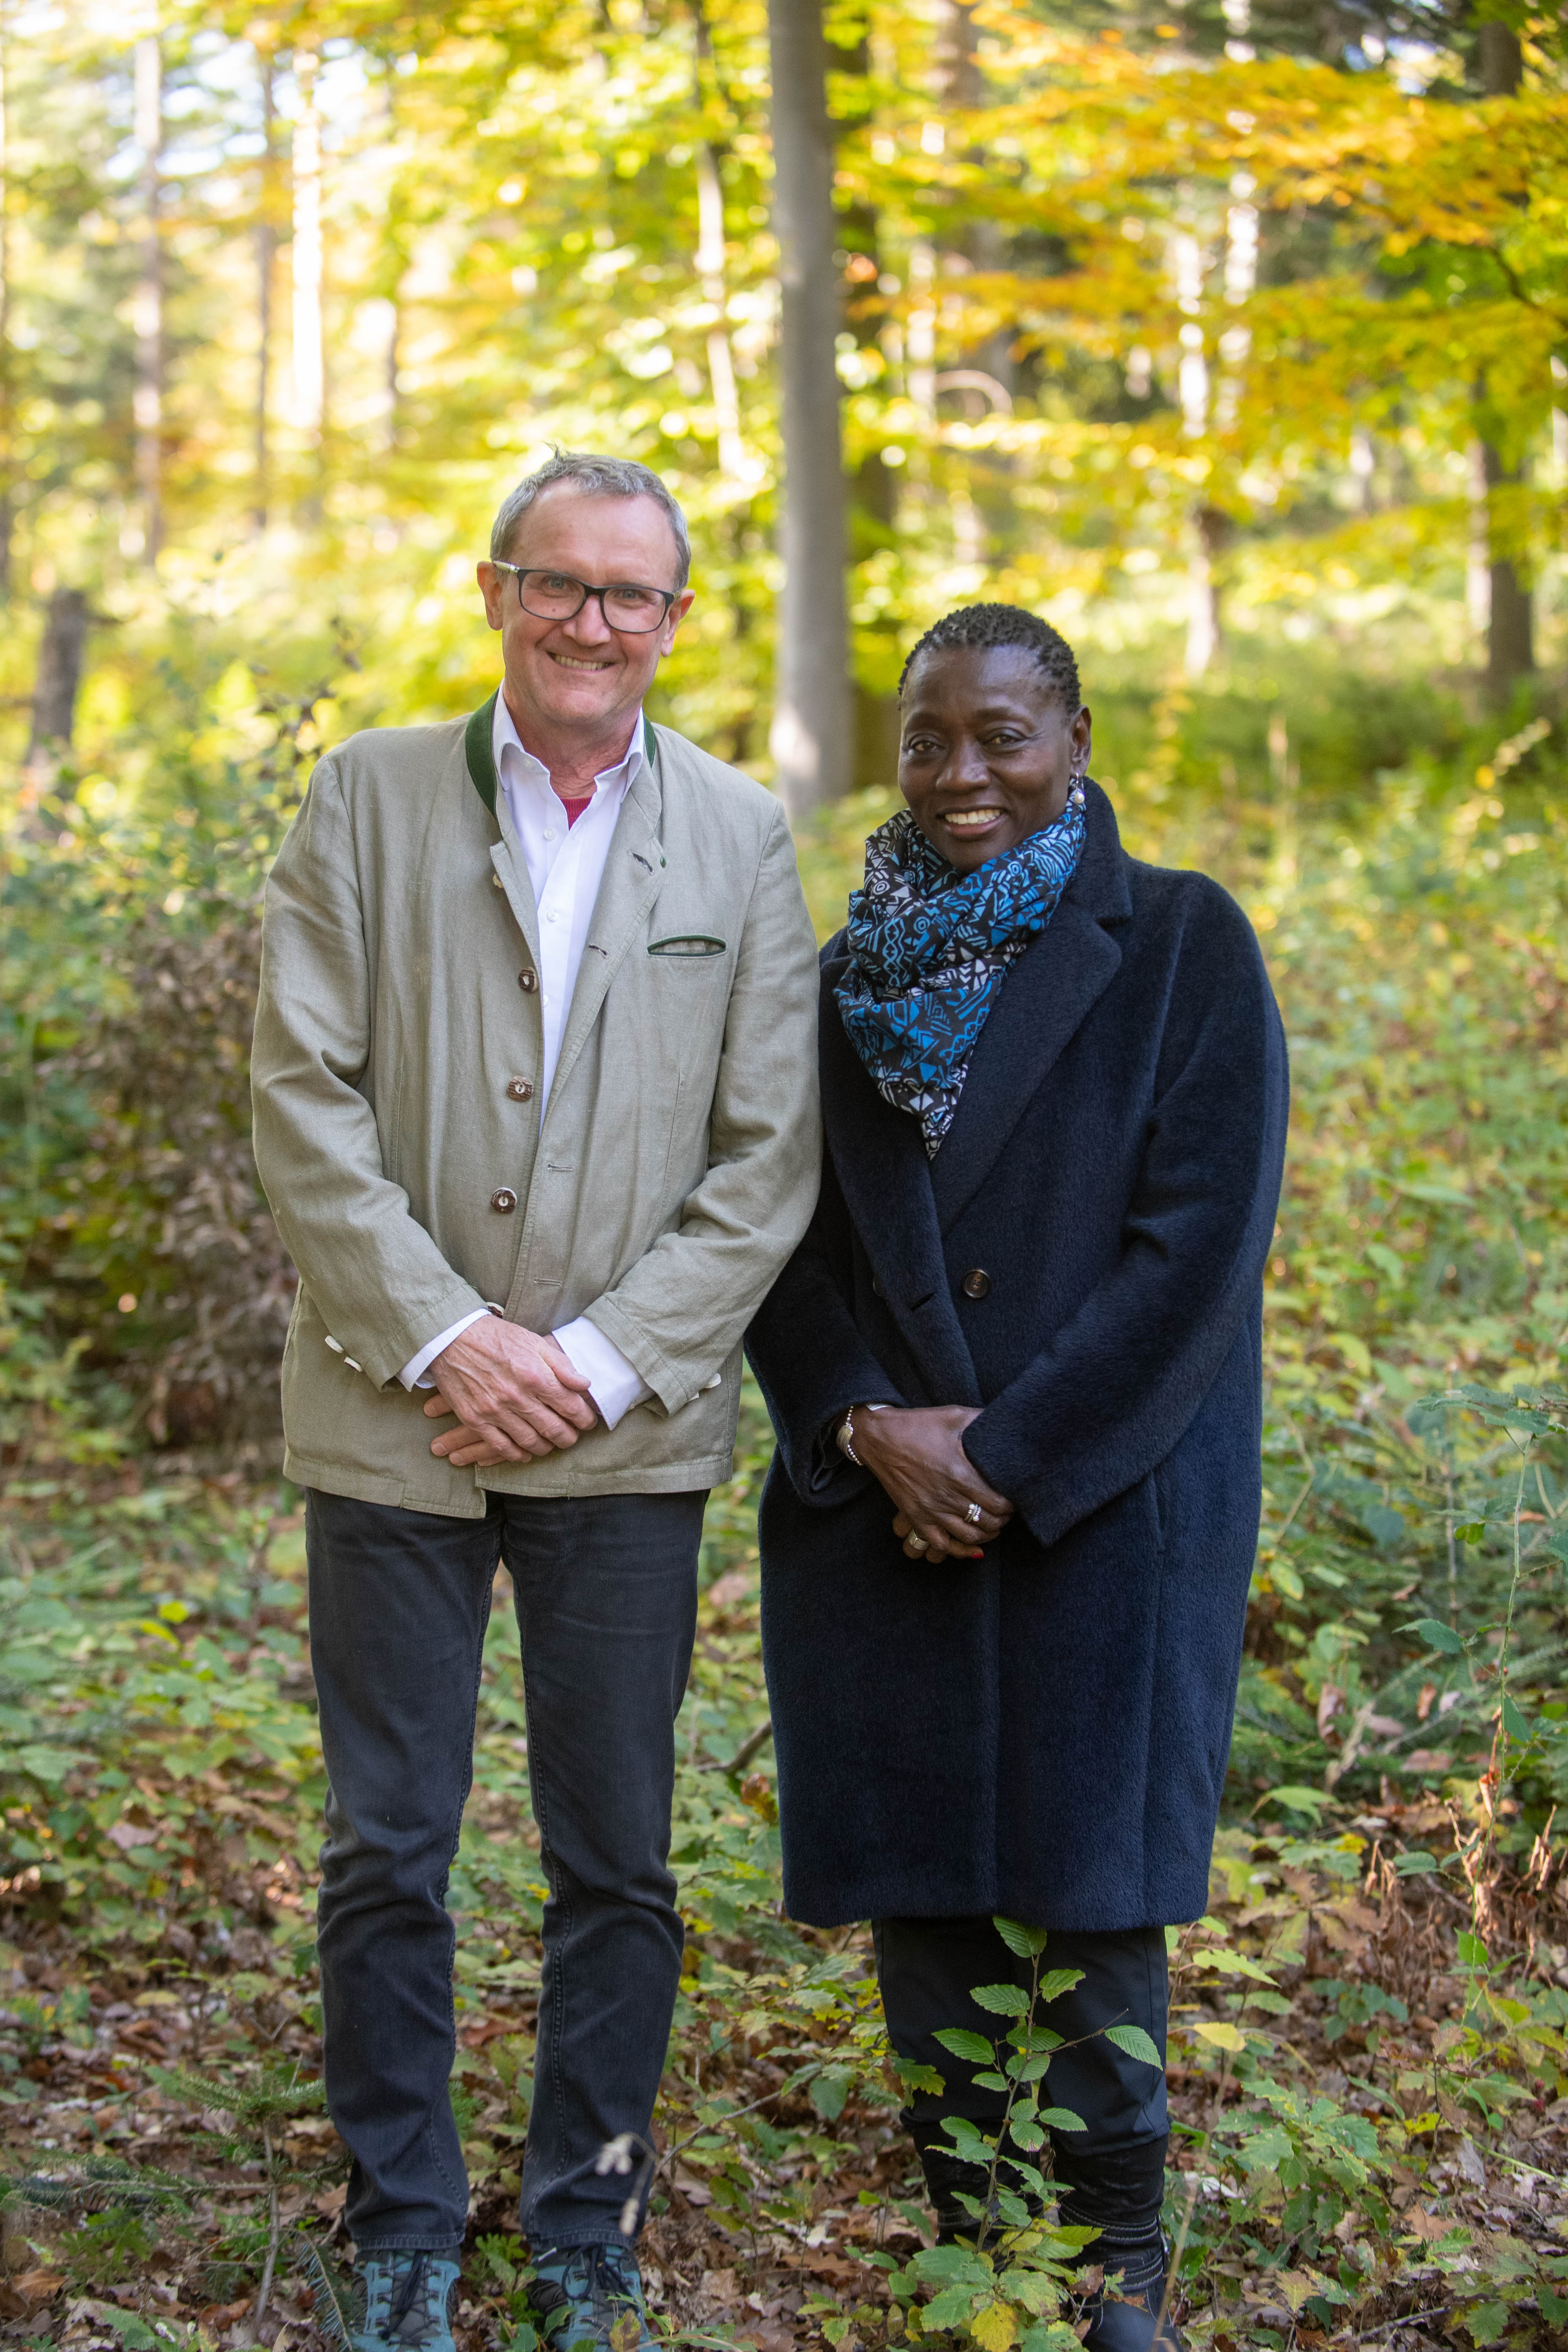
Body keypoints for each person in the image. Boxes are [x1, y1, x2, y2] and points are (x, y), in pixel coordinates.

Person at [250, 451, 821, 2352]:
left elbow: (766, 1160)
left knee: (618, 1852)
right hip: (388, 1408)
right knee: (385, 1841)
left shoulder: (740, 836)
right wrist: (443, 1336)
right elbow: (302, 1098)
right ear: (495, 591)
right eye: (559, 586)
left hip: (622, 1432)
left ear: (674, 619)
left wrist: (578, 1362)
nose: (594, 623)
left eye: (631, 596)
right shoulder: (365, 795)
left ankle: (585, 2213)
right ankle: (401, 2210)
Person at [746, 604, 1288, 2352]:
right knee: (925, 1883)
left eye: (1001, 736)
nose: (962, 773)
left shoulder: (1185, 943)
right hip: (879, 1506)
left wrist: (1002, 1451)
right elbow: (776, 1241)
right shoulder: (837, 983)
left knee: (1092, 1883)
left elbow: (1197, 1248)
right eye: (928, 739)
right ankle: (970, 2252)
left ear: (1072, 742)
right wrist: (862, 1423)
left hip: (1103, 1501)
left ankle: (1116, 2272)